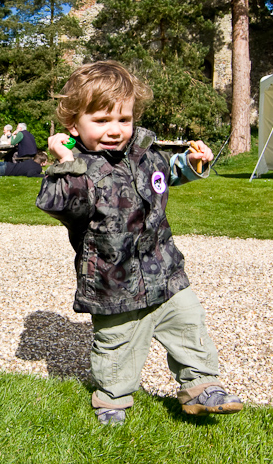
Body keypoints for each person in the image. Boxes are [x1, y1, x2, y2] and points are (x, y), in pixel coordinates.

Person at [36, 61, 242, 425]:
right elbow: (59, 203)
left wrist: (192, 163)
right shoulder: (78, 168)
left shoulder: (143, 151)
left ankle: (201, 385)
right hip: (111, 279)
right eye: (101, 121)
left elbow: (164, 173)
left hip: (163, 267)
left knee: (188, 321)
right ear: (73, 125)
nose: (115, 130)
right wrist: (65, 162)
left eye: (124, 120)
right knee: (117, 342)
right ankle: (113, 397)